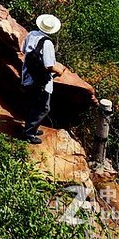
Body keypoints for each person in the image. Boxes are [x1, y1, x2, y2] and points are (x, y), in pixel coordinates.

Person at [21, 13, 67, 144]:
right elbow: (48, 66)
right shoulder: (47, 43)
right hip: (40, 81)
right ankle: (29, 133)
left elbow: (23, 50)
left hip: (28, 75)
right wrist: (58, 70)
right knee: (43, 107)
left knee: (32, 103)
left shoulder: (31, 34)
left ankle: (32, 128)